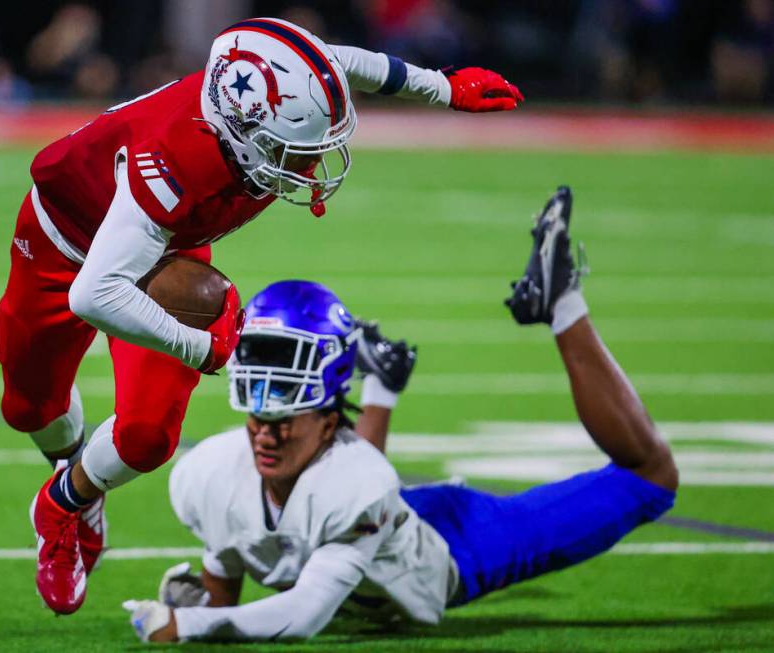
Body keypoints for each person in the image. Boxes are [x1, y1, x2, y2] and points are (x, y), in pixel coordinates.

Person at [0, 16, 523, 615]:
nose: (306, 164)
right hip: (64, 244)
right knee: (28, 408)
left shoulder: (261, 80)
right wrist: (200, 349)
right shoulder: (173, 161)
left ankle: (65, 501)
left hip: (162, 250)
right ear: (241, 129)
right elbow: (94, 294)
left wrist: (441, 87)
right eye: (290, 149)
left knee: (147, 437)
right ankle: (72, 469)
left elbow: (339, 59)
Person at [120, 186, 679, 642]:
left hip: (455, 542)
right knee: (349, 505)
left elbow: (304, 615)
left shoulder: (355, 482)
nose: (267, 433)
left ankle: (561, 303)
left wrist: (189, 622)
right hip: (381, 515)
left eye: (287, 418)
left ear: (330, 417)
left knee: (651, 478)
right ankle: (384, 377)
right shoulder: (216, 472)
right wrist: (205, 602)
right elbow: (234, 559)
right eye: (259, 420)